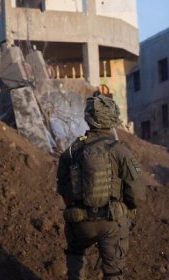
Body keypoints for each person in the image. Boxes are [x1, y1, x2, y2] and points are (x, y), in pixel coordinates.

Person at [57, 92, 145, 280]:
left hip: (79, 223)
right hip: (111, 224)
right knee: (113, 273)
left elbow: (62, 186)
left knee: (75, 259)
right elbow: (137, 194)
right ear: (112, 120)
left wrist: (75, 205)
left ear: (88, 119)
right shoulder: (120, 150)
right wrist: (127, 208)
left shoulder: (73, 149)